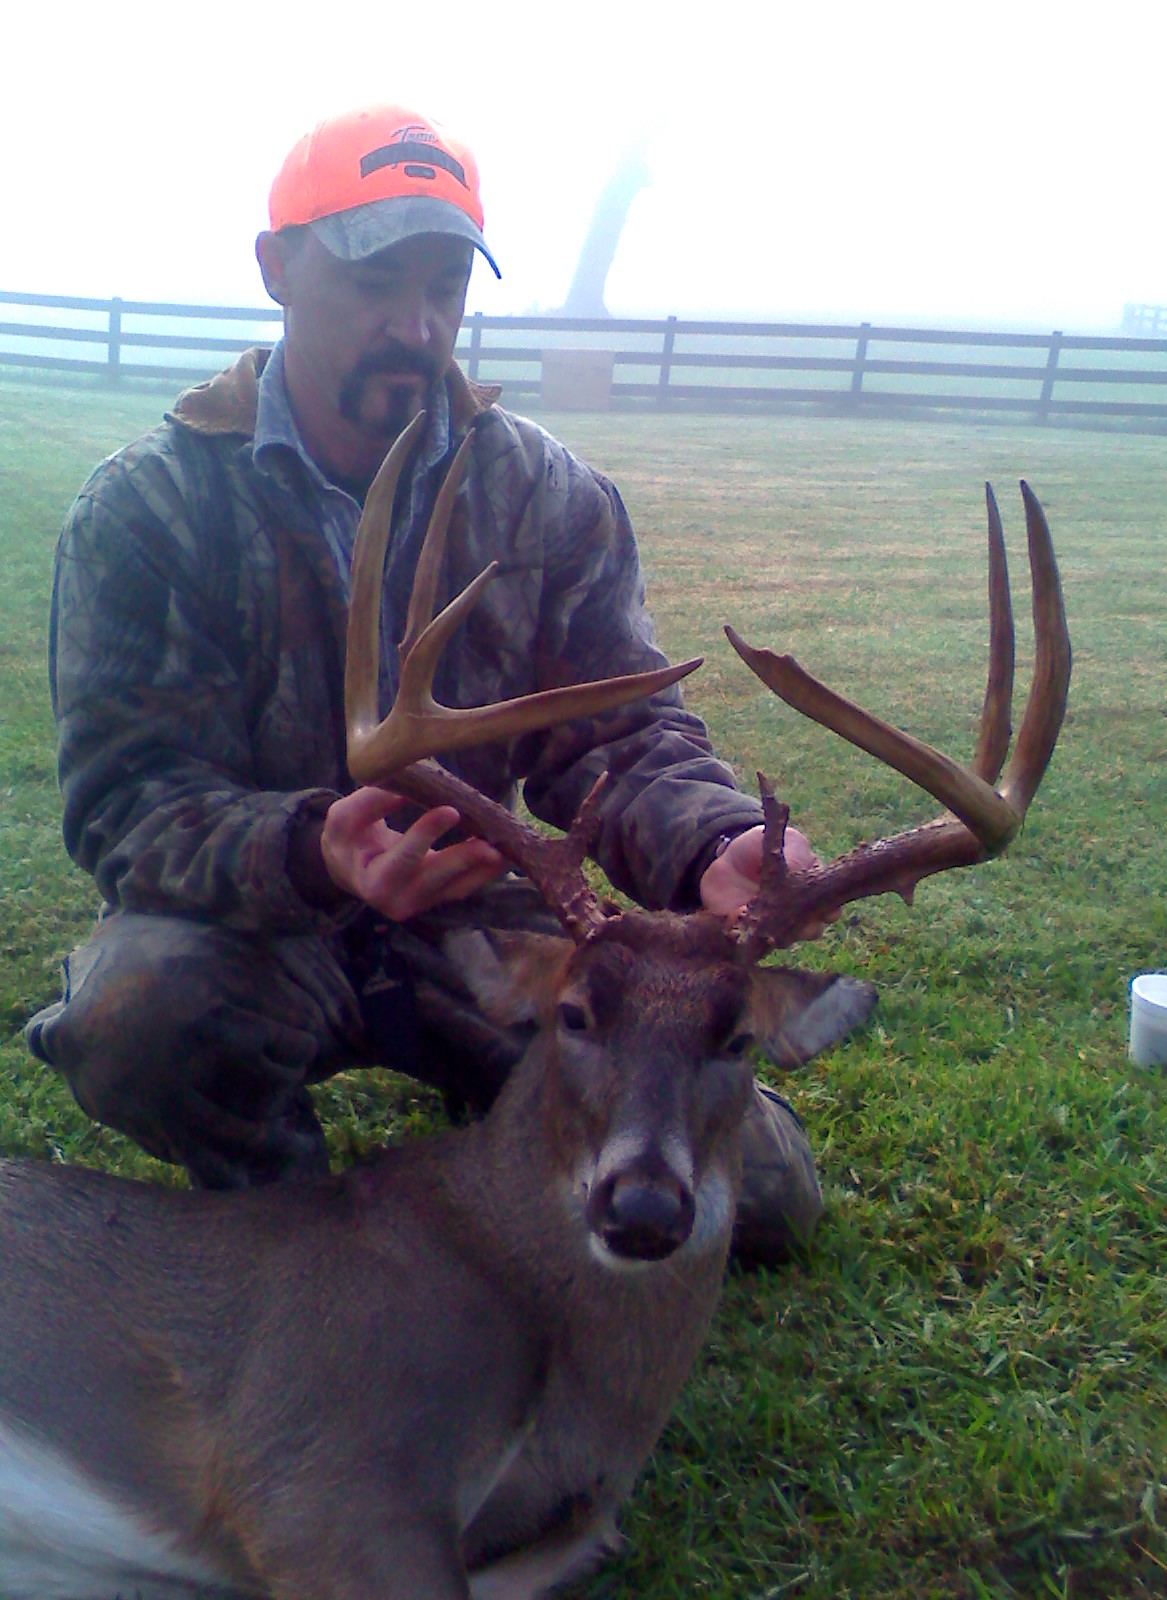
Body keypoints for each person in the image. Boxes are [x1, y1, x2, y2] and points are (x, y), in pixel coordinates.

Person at [26, 103, 836, 1265]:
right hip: (253, 927)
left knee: (759, 1199)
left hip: (479, 922)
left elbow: (619, 729)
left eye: (447, 286)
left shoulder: (546, 495)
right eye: (375, 280)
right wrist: (313, 847)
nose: (416, 326)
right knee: (134, 1020)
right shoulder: (152, 508)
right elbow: (126, 799)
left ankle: (504, 1112)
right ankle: (287, 1210)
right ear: (277, 267)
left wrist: (710, 841)